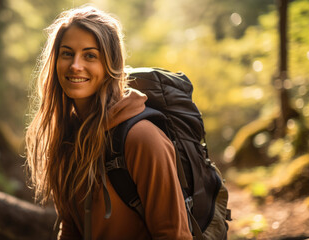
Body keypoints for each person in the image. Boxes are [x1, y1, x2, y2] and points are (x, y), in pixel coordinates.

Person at [25, 5, 192, 240]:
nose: (75, 65)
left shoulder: (142, 138)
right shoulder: (67, 137)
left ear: (110, 65)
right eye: (67, 53)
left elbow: (174, 235)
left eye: (90, 55)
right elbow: (71, 229)